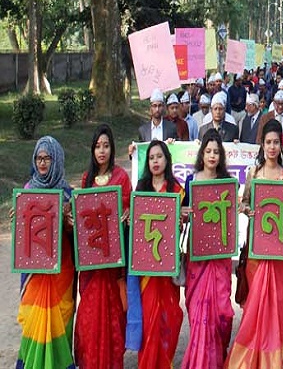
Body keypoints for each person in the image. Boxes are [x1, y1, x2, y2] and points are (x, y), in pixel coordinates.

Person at [225, 119, 283, 368]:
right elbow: (243, 203)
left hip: (279, 254)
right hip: (257, 252)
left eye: (276, 142)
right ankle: (251, 356)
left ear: (282, 145)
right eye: (268, 142)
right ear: (262, 145)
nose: (272, 147)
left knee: (280, 305)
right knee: (256, 305)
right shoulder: (254, 174)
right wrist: (248, 210)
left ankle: (273, 357)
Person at [14, 136, 76, 368]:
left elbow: (75, 235)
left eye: (47, 158)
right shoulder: (27, 191)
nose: (42, 163)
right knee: (34, 319)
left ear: (56, 159)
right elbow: (24, 236)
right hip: (36, 273)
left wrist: (69, 222)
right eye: (38, 158)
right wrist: (18, 217)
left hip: (62, 271)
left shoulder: (67, 193)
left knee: (61, 318)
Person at [75, 124, 132, 369]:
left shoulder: (121, 178)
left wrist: (127, 215)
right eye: (98, 146)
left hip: (113, 266)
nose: (102, 151)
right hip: (92, 268)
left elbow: (131, 212)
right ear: (92, 149)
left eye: (106, 146)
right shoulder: (86, 179)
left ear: (112, 148)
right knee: (89, 317)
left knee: (113, 316)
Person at [181, 130, 235, 368]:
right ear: (202, 154)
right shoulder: (191, 181)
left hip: (220, 258)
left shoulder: (227, 183)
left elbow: (230, 218)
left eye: (216, 152)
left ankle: (217, 356)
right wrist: (183, 213)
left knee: (222, 312)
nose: (212, 156)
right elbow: (183, 215)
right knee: (199, 311)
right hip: (198, 257)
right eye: (208, 151)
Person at [133, 140, 184, 367]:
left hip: (168, 269)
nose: (155, 161)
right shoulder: (141, 188)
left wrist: (181, 221)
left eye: (159, 157)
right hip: (147, 272)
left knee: (169, 318)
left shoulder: (176, 190)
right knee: (148, 320)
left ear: (167, 160)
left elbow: (182, 223)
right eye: (151, 157)